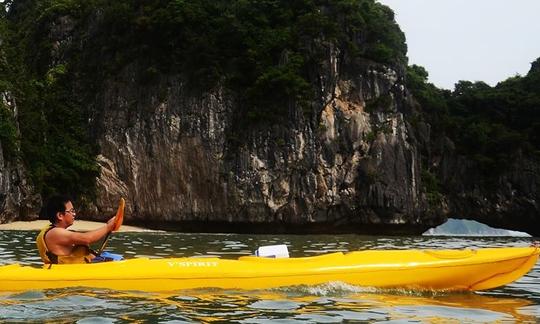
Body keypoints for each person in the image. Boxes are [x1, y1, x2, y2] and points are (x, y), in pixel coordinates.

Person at [36, 195, 116, 264]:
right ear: (60, 215)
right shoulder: (55, 233)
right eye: (71, 211)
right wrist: (108, 226)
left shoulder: (58, 231)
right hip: (68, 272)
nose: (74, 214)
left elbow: (90, 238)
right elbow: (87, 238)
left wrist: (107, 227)